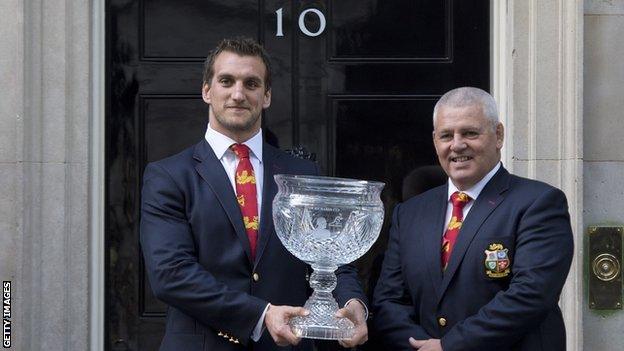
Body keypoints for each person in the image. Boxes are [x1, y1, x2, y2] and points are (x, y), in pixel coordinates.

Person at [140, 37, 368, 351]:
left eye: (251, 83)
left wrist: (353, 303)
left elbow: (332, 258)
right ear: (207, 90)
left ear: (266, 95)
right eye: (226, 81)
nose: (238, 94)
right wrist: (260, 315)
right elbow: (171, 274)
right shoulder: (168, 176)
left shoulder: (302, 174)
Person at [372, 87, 573, 351]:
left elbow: (530, 296)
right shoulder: (410, 212)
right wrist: (419, 346)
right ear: (435, 141)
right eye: (446, 135)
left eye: (470, 133)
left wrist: (449, 346)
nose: (457, 145)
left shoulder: (539, 203)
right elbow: (389, 300)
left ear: (498, 135)